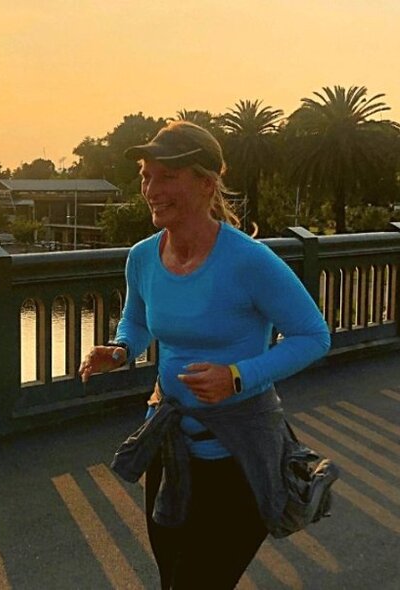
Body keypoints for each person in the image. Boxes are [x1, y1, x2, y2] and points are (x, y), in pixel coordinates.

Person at [78, 121, 331, 589]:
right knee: (173, 577)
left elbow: (313, 335)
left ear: (207, 182)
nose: (152, 189)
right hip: (170, 447)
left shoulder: (249, 261)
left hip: (239, 454)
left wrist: (237, 376)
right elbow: (135, 320)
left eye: (167, 176)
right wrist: (119, 349)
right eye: (146, 176)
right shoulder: (142, 257)